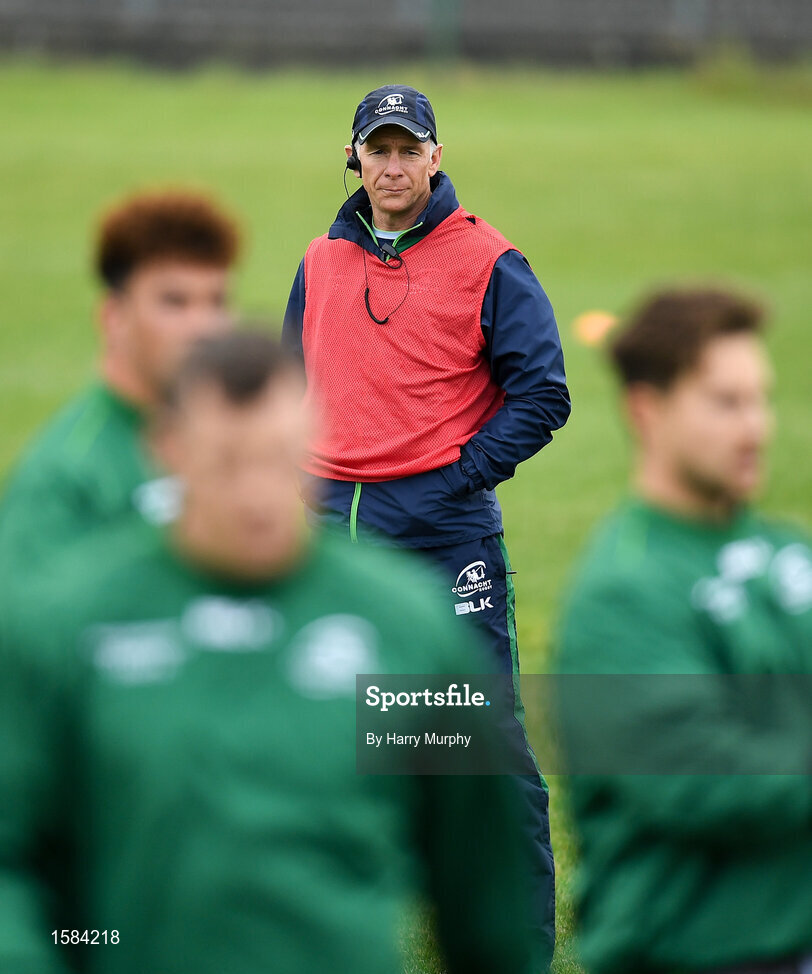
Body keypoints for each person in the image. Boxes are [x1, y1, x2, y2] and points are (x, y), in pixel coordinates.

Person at [0, 332, 539, 974]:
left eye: (280, 460)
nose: (258, 497)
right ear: (167, 451)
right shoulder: (71, 621)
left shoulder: (403, 622)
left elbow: (482, 888)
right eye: (227, 463)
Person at [283, 83, 569, 960]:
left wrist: (460, 478)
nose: (394, 165)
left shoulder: (490, 261)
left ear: (436, 158)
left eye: (411, 150)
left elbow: (543, 392)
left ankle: (516, 942)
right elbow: (290, 390)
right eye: (381, 150)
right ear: (354, 157)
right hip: (329, 532)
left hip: (446, 538)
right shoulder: (320, 261)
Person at [556, 288, 812, 974]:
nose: (756, 426)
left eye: (760, 398)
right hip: (693, 953)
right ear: (647, 411)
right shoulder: (622, 591)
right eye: (726, 403)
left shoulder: (789, 553)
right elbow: (701, 781)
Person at [0, 189, 241, 579]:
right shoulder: (66, 475)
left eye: (216, 302)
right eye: (174, 302)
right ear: (114, 317)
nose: (204, 328)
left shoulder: (239, 449)